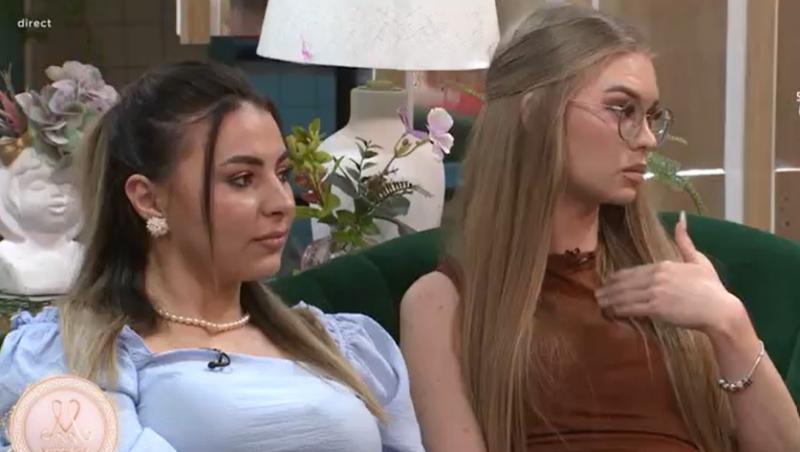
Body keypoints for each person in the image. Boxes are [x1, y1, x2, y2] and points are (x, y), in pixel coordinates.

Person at [400, 5, 800, 452]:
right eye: (621, 109)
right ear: (535, 113)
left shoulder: (674, 282)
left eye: (650, 116)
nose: (646, 138)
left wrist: (729, 324)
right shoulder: (444, 303)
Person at [0, 61, 424, 452]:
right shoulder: (73, 356)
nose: (282, 202)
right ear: (148, 199)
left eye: (281, 174)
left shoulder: (344, 346)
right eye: (241, 179)